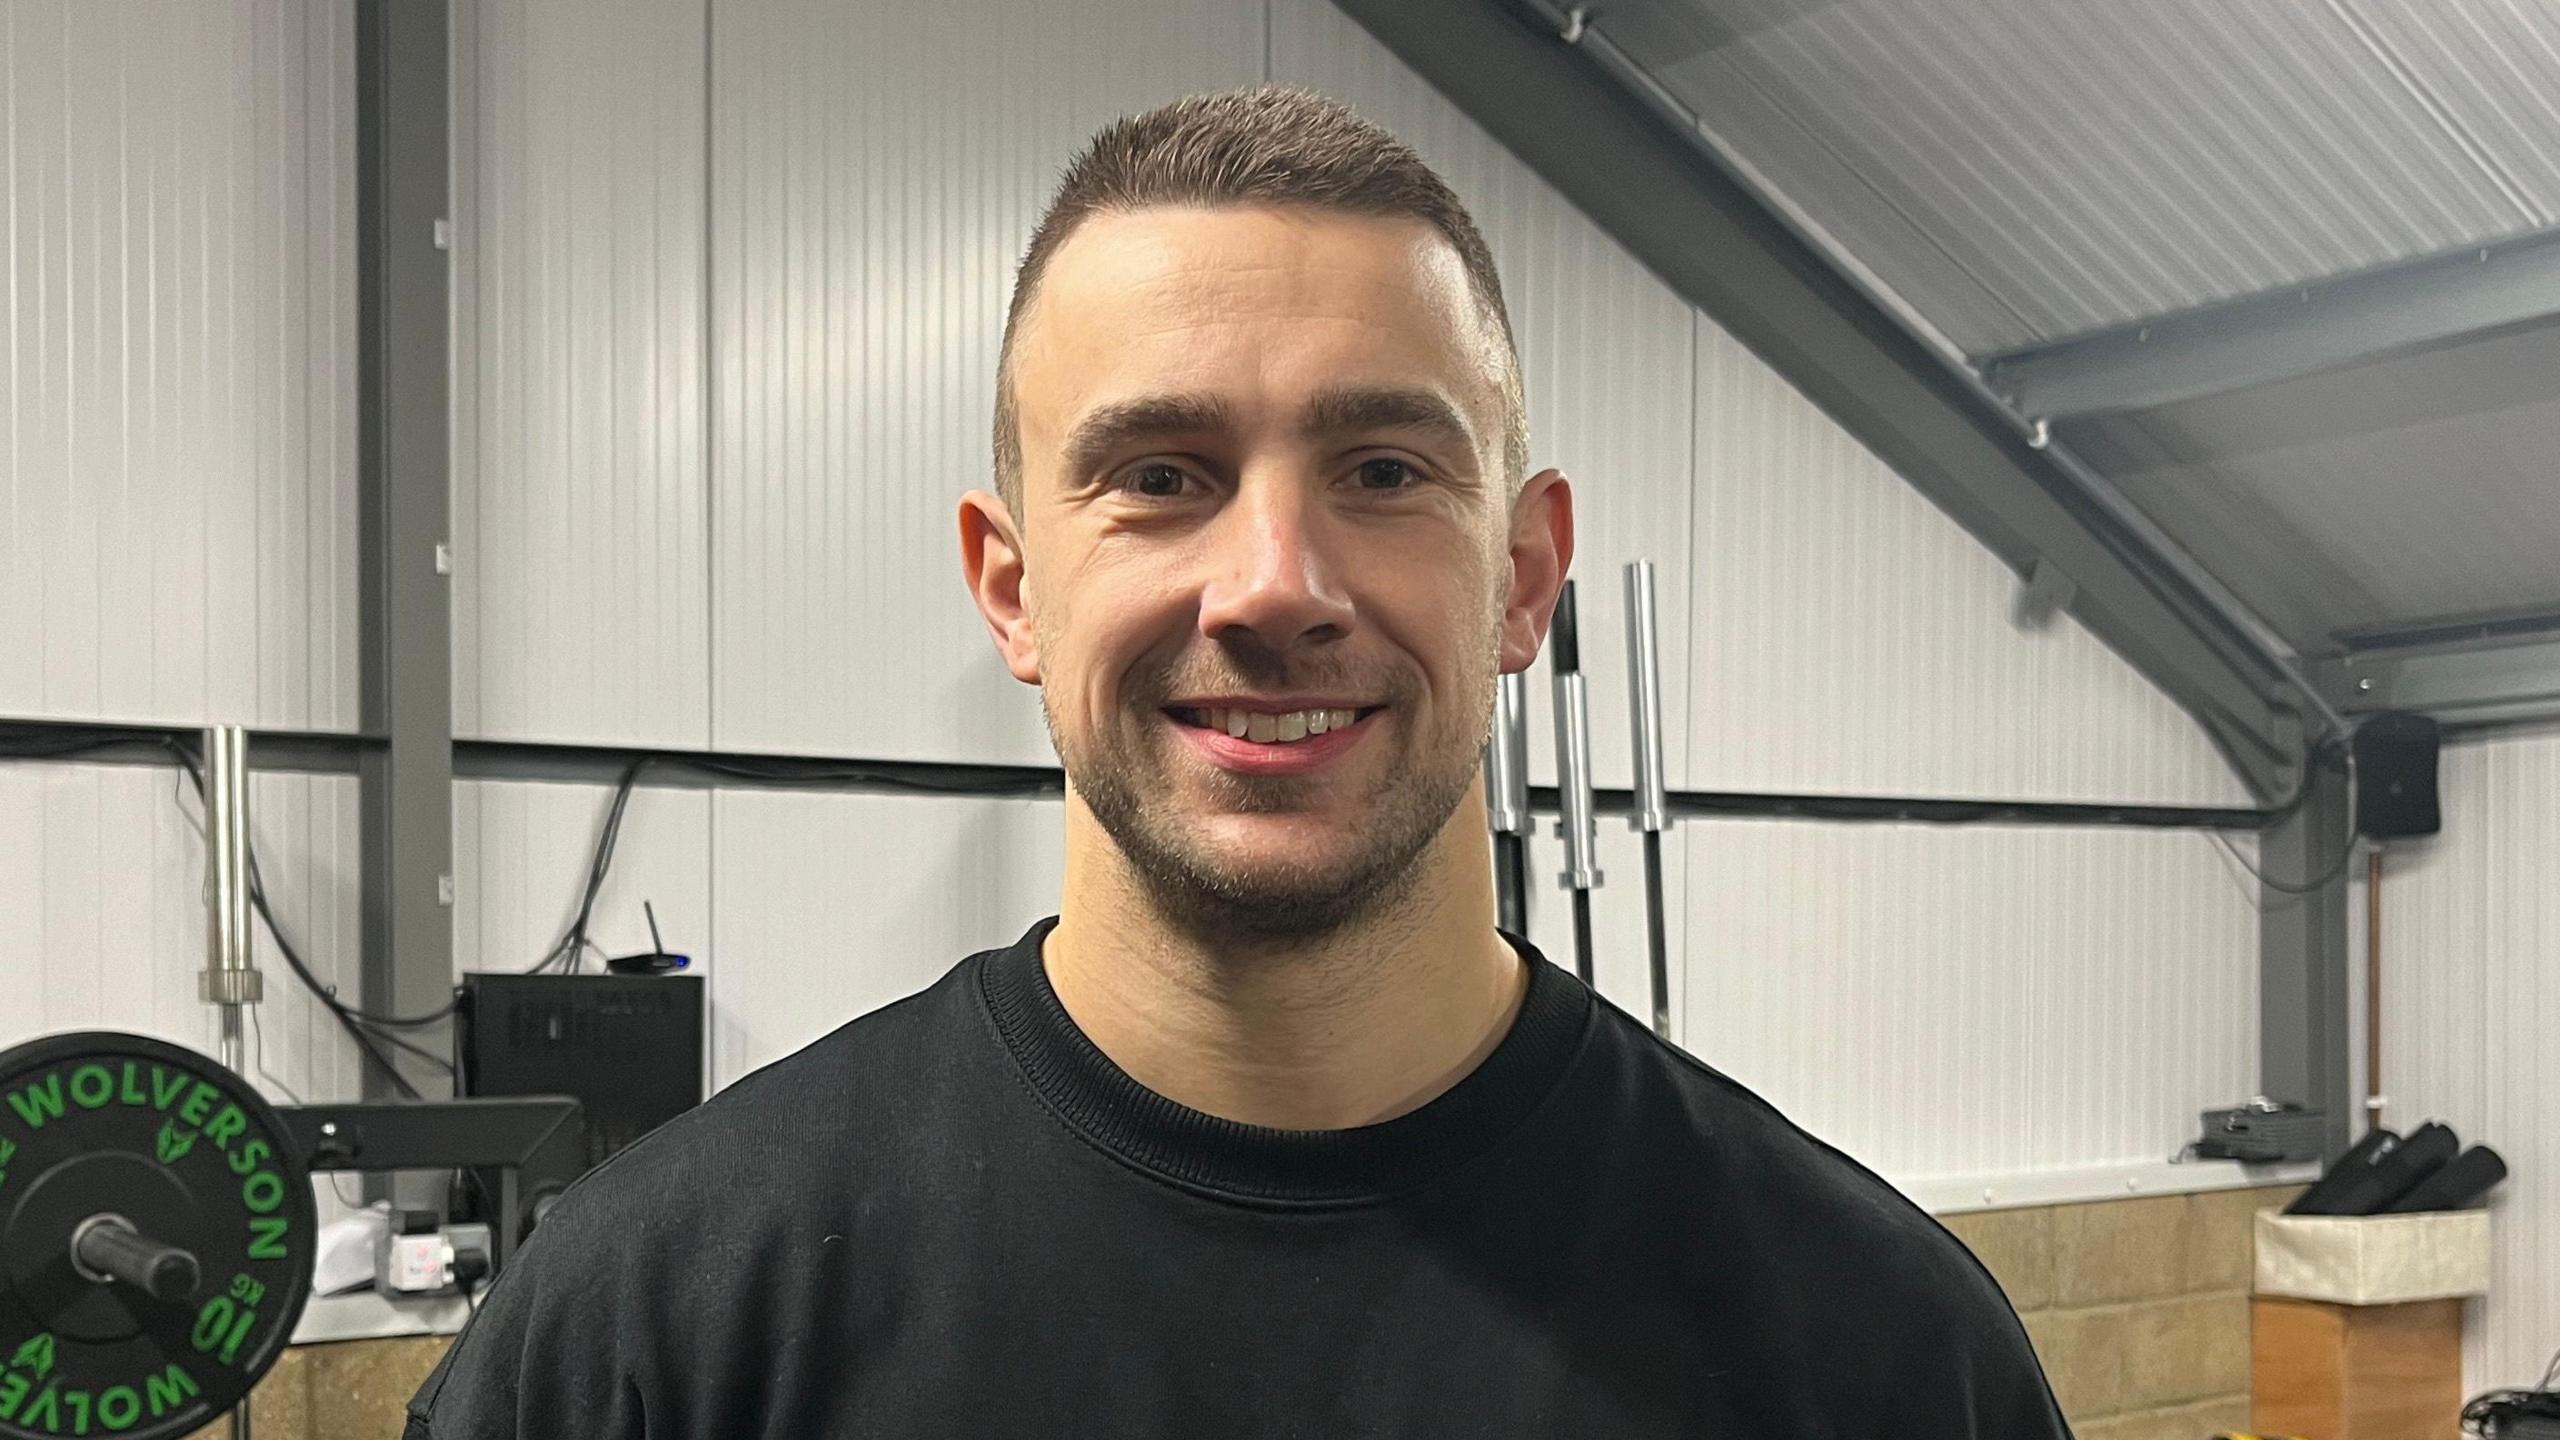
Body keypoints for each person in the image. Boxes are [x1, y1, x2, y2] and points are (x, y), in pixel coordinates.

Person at [406, 86, 2072, 1439]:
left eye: (1384, 468)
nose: (1275, 582)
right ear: (1012, 588)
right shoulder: (650, 1338)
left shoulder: (1878, 1357)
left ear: (1525, 577)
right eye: (1161, 473)